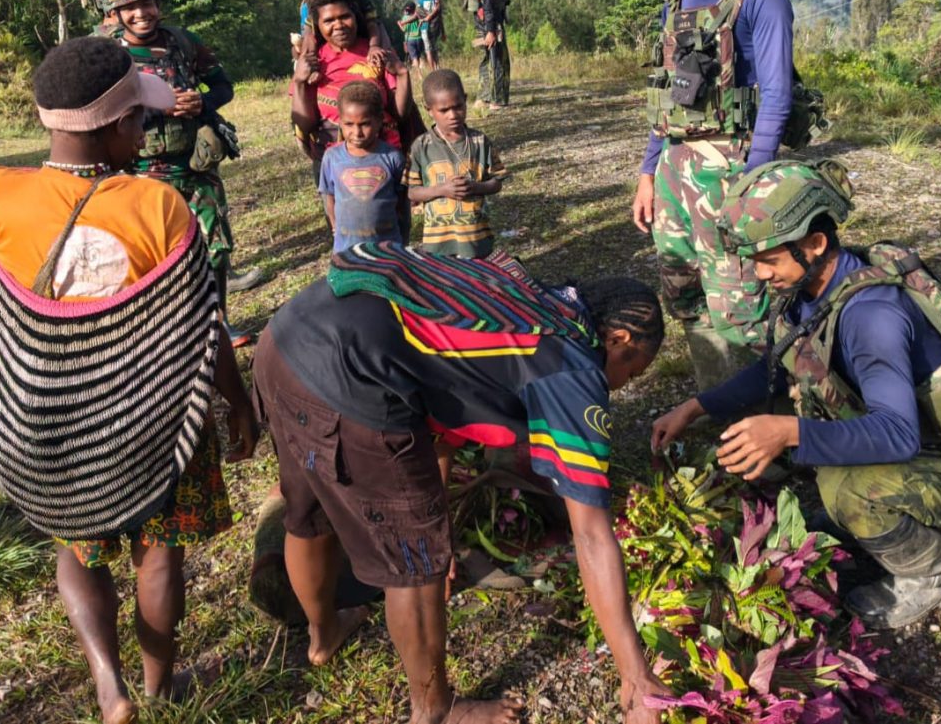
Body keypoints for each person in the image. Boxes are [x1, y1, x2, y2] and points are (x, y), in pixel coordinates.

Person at [253, 252, 669, 723]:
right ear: (618, 339)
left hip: (287, 338)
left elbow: (446, 420)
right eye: (632, 372)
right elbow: (591, 533)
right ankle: (434, 709)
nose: (621, 385)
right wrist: (635, 675)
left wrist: (438, 520)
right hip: (349, 376)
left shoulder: (539, 303)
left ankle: (323, 634)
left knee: (309, 512)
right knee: (415, 565)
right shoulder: (573, 371)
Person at [0, 36, 259, 724]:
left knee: (78, 553)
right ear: (118, 122)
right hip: (150, 424)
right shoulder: (158, 205)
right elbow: (203, 322)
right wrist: (238, 403)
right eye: (140, 120)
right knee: (157, 556)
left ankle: (109, 685)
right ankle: (159, 687)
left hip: (48, 424)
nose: (145, 133)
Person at [651, 160, 941, 630]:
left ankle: (930, 574)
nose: (759, 274)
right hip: (929, 436)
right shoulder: (816, 289)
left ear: (815, 243)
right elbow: (780, 363)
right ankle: (868, 521)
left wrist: (790, 432)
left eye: (768, 260)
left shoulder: (871, 317)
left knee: (846, 487)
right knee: (810, 435)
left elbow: (898, 434)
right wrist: (694, 408)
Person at [631, 0, 796, 391]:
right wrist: (648, 173)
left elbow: (777, 98)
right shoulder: (675, 2)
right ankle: (715, 404)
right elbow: (669, 96)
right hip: (675, 172)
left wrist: (753, 185)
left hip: (731, 169)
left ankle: (763, 420)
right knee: (686, 296)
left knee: (742, 304)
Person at [82, 0, 263, 344]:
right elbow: (95, 112)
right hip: (140, 173)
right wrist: (156, 106)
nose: (141, 13)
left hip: (196, 166)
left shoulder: (182, 42)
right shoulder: (105, 54)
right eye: (129, 6)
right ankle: (168, 335)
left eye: (146, 2)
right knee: (154, 258)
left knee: (216, 249)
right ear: (112, 13)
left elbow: (223, 86)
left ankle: (217, 326)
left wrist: (202, 102)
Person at [291, 0, 411, 180]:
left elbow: (400, 113)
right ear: (317, 26)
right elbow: (305, 123)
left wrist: (403, 74)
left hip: (385, 161)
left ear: (356, 16)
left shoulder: (376, 54)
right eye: (329, 21)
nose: (338, 25)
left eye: (344, 17)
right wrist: (299, 82)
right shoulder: (313, 63)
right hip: (334, 166)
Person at [406, 69, 506, 258]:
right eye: (443, 110)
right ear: (429, 109)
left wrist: (475, 187)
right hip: (438, 243)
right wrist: (441, 190)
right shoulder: (420, 146)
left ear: (465, 100)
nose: (452, 115)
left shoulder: (480, 141)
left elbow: (497, 182)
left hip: (476, 238)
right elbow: (411, 192)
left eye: (458, 106)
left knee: (476, 275)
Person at [318, 82, 407, 253]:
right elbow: (329, 195)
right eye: (349, 124)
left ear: (380, 120)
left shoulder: (392, 157)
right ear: (340, 121)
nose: (357, 132)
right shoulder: (332, 158)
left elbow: (403, 203)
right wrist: (334, 224)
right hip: (346, 249)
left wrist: (403, 239)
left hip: (388, 249)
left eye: (365, 124)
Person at [464, 0, 511, 111]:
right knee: (498, 61)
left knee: (486, 62)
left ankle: (482, 99)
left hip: (480, 24)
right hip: (491, 26)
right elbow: (488, 5)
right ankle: (496, 101)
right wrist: (491, 30)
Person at [417, 0, 443, 70]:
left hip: (424, 28)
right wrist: (443, 32)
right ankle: (437, 68)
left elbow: (418, 13)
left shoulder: (421, 1)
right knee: (434, 48)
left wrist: (424, 18)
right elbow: (440, 16)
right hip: (435, 28)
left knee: (428, 50)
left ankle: (433, 71)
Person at [397, 1, 427, 78]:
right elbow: (420, 23)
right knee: (419, 55)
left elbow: (404, 30)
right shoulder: (416, 16)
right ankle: (421, 68)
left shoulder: (405, 18)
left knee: (414, 57)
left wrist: (399, 25)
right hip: (419, 38)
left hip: (410, 39)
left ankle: (419, 74)